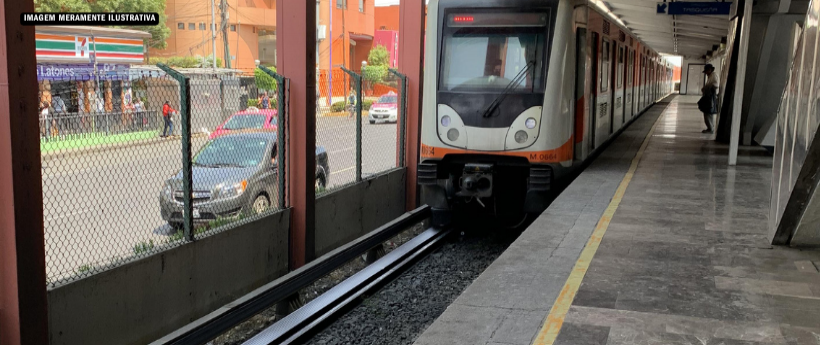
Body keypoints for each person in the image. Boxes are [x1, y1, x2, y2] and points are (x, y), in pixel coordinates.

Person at [698, 64, 719, 134]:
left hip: (710, 97)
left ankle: (710, 129)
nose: (706, 73)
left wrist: (706, 88)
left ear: (709, 70)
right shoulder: (711, 75)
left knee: (708, 112)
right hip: (708, 96)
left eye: (706, 71)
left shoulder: (714, 75)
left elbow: (716, 85)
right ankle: (710, 128)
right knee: (707, 112)